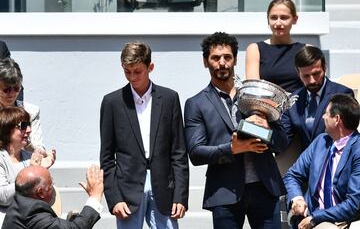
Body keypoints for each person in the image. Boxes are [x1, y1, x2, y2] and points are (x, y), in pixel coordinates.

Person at [184, 32, 287, 229]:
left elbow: (282, 142)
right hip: (224, 192)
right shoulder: (196, 103)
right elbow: (196, 153)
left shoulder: (257, 94)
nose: (222, 63)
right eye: (215, 58)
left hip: (265, 188)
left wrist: (267, 129)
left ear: (235, 60)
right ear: (206, 62)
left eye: (227, 57)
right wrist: (232, 148)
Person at [100, 42, 189, 229]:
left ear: (151, 67)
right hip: (127, 191)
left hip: (165, 189)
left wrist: (180, 196)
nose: (132, 77)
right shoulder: (112, 102)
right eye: (127, 71)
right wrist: (114, 197)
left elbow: (179, 152)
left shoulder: (169, 98)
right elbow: (107, 157)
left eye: (137, 71)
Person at [284, 94, 360, 229]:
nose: (323, 117)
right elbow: (292, 175)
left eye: (326, 113)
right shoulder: (321, 141)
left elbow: (354, 204)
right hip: (309, 216)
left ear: (336, 119)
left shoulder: (357, 151)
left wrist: (316, 217)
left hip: (341, 220)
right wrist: (297, 199)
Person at [281, 46, 354, 152]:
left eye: (316, 74)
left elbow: (349, 138)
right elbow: (281, 140)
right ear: (298, 74)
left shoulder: (342, 94)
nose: (312, 81)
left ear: (325, 68)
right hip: (307, 165)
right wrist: (260, 126)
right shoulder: (293, 101)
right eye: (306, 76)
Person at [0, 107, 55, 225]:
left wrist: (43, 173)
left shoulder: (29, 156)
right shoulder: (1, 158)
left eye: (29, 124)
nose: (29, 130)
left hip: (35, 221)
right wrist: (30, 172)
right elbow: (3, 197)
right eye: (23, 125)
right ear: (7, 129)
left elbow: (49, 198)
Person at [2, 164, 103, 228]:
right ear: (40, 192)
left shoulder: (19, 203)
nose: (53, 186)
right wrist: (95, 196)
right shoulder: (32, 213)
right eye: (50, 183)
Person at [245, 0, 306, 93]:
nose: (278, 23)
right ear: (268, 19)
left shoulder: (305, 50)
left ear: (295, 19)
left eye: (284, 18)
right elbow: (253, 91)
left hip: (300, 107)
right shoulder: (255, 49)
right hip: (265, 106)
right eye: (273, 18)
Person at [0, 58, 44, 152]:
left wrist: (24, 140)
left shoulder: (31, 111)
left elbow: (38, 147)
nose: (12, 93)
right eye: (6, 90)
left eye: (16, 88)